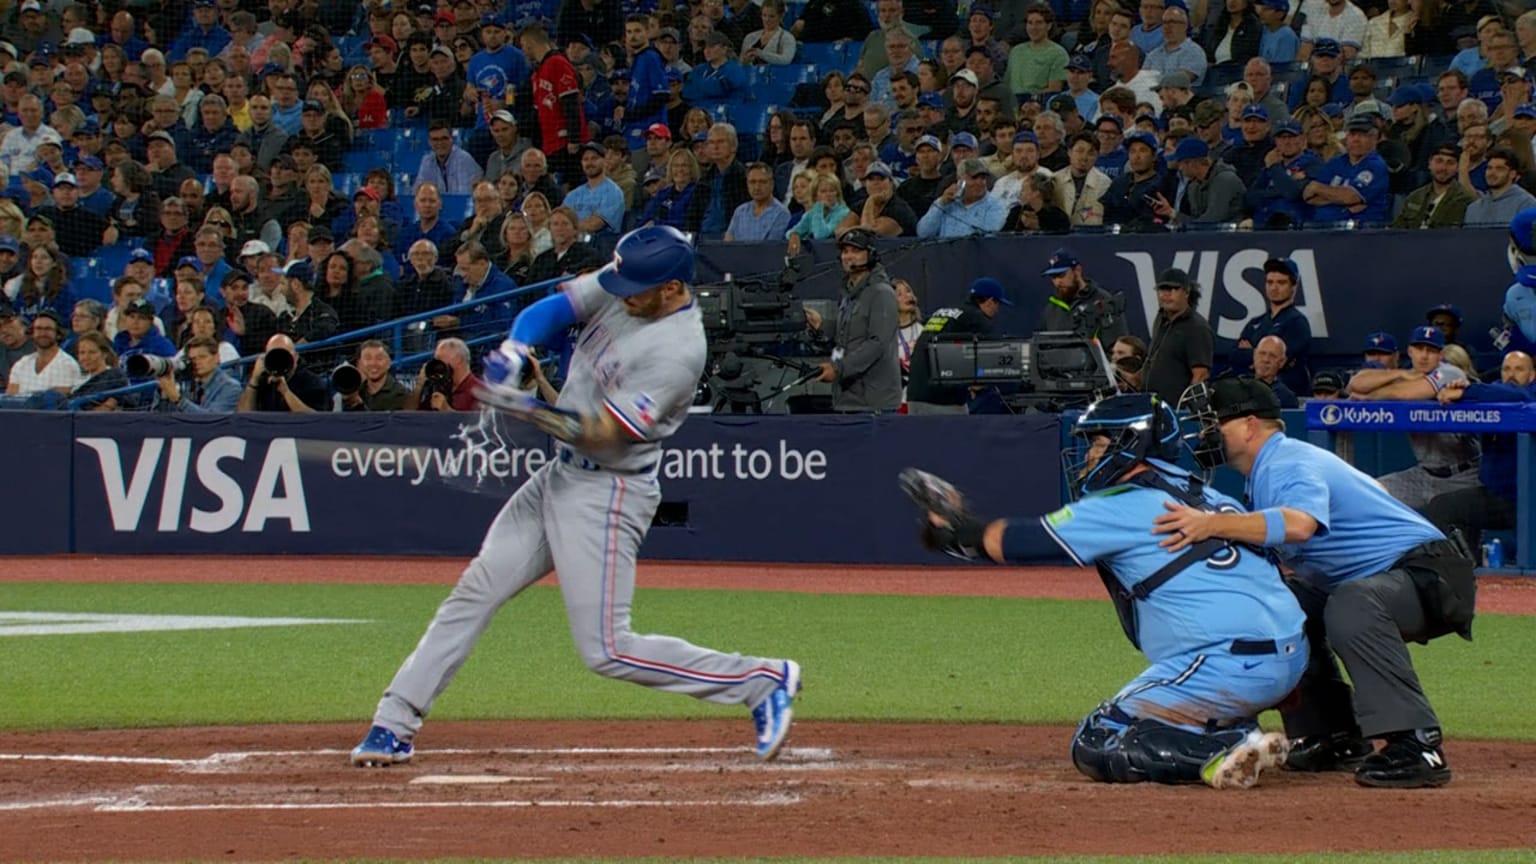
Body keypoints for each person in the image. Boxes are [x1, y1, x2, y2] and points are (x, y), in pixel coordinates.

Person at [351, 225, 802, 766]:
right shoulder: (628, 283)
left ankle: (761, 679)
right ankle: (394, 720)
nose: (622, 293)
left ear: (673, 289)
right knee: (477, 589)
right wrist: (517, 348)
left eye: (636, 287)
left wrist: (528, 410)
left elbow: (603, 433)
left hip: (608, 492)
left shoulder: (678, 354)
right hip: (559, 477)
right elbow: (554, 309)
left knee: (607, 649)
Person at [900, 393, 1306, 789]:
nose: (1089, 455)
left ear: (1131, 445)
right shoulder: (1206, 495)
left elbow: (1020, 542)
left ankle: (1224, 750)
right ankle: (1233, 726)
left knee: (1099, 737)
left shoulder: (1123, 502)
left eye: (1098, 442)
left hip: (1228, 664)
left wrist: (953, 528)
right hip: (1290, 656)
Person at [1161, 377, 1474, 789]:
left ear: (1250, 425)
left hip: (1430, 575)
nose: (1205, 434)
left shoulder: (1288, 461)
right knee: (1281, 608)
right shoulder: (1266, 472)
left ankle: (1418, 745)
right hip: (1391, 579)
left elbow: (1300, 525)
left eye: (1214, 424)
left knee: (1351, 603)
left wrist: (1211, 524)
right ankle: (1335, 734)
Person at [1346, 326, 1481, 510]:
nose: (1424, 356)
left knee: (1457, 534)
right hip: (1423, 476)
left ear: (1440, 355)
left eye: (1431, 350)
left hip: (1464, 475)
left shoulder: (1450, 373)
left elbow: (1405, 394)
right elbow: (1355, 384)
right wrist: (1401, 373)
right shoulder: (1407, 374)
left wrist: (1371, 397)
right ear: (1410, 351)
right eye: (1419, 349)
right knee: (1366, 493)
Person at [801, 228, 902, 413]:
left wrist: (838, 368)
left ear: (870, 255)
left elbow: (877, 343)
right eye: (845, 251)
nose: (849, 257)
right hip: (848, 399)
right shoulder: (849, 294)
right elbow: (848, 334)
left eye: (856, 251)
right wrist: (822, 325)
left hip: (874, 402)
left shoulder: (881, 293)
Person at [904, 277, 1010, 414]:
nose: (997, 310)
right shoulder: (978, 319)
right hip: (942, 402)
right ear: (990, 302)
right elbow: (987, 361)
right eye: (998, 304)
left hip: (914, 397)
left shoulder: (942, 313)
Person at [1228, 258, 1312, 394]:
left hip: (1286, 396)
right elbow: (1234, 356)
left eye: (1281, 282)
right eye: (1270, 282)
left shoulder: (1297, 322)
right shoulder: (1256, 323)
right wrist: (1257, 355)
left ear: (1293, 287)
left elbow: (1279, 362)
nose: (1274, 288)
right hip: (1253, 393)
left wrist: (1252, 353)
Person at [1143, 268, 1212, 405]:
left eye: (1172, 289)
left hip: (1177, 412)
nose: (1166, 294)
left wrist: (1186, 409)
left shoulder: (1196, 327)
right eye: (1162, 289)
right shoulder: (1160, 319)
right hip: (1154, 407)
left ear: (1186, 292)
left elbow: (1201, 374)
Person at [1038, 248, 1128, 344]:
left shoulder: (1103, 301)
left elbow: (1118, 346)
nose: (1057, 282)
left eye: (1061, 275)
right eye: (1053, 277)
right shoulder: (1051, 309)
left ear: (1077, 270)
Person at [155, 335, 241, 412]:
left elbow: (212, 420)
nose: (197, 362)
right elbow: (164, 419)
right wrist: (164, 395)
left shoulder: (230, 387)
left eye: (202, 357)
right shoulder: (187, 384)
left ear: (217, 358)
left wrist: (178, 399)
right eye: (193, 359)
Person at [343, 339, 411, 411]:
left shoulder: (401, 395)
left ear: (389, 363)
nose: (373, 363)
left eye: (379, 358)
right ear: (360, 363)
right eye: (368, 358)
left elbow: (383, 422)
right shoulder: (356, 391)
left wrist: (359, 404)